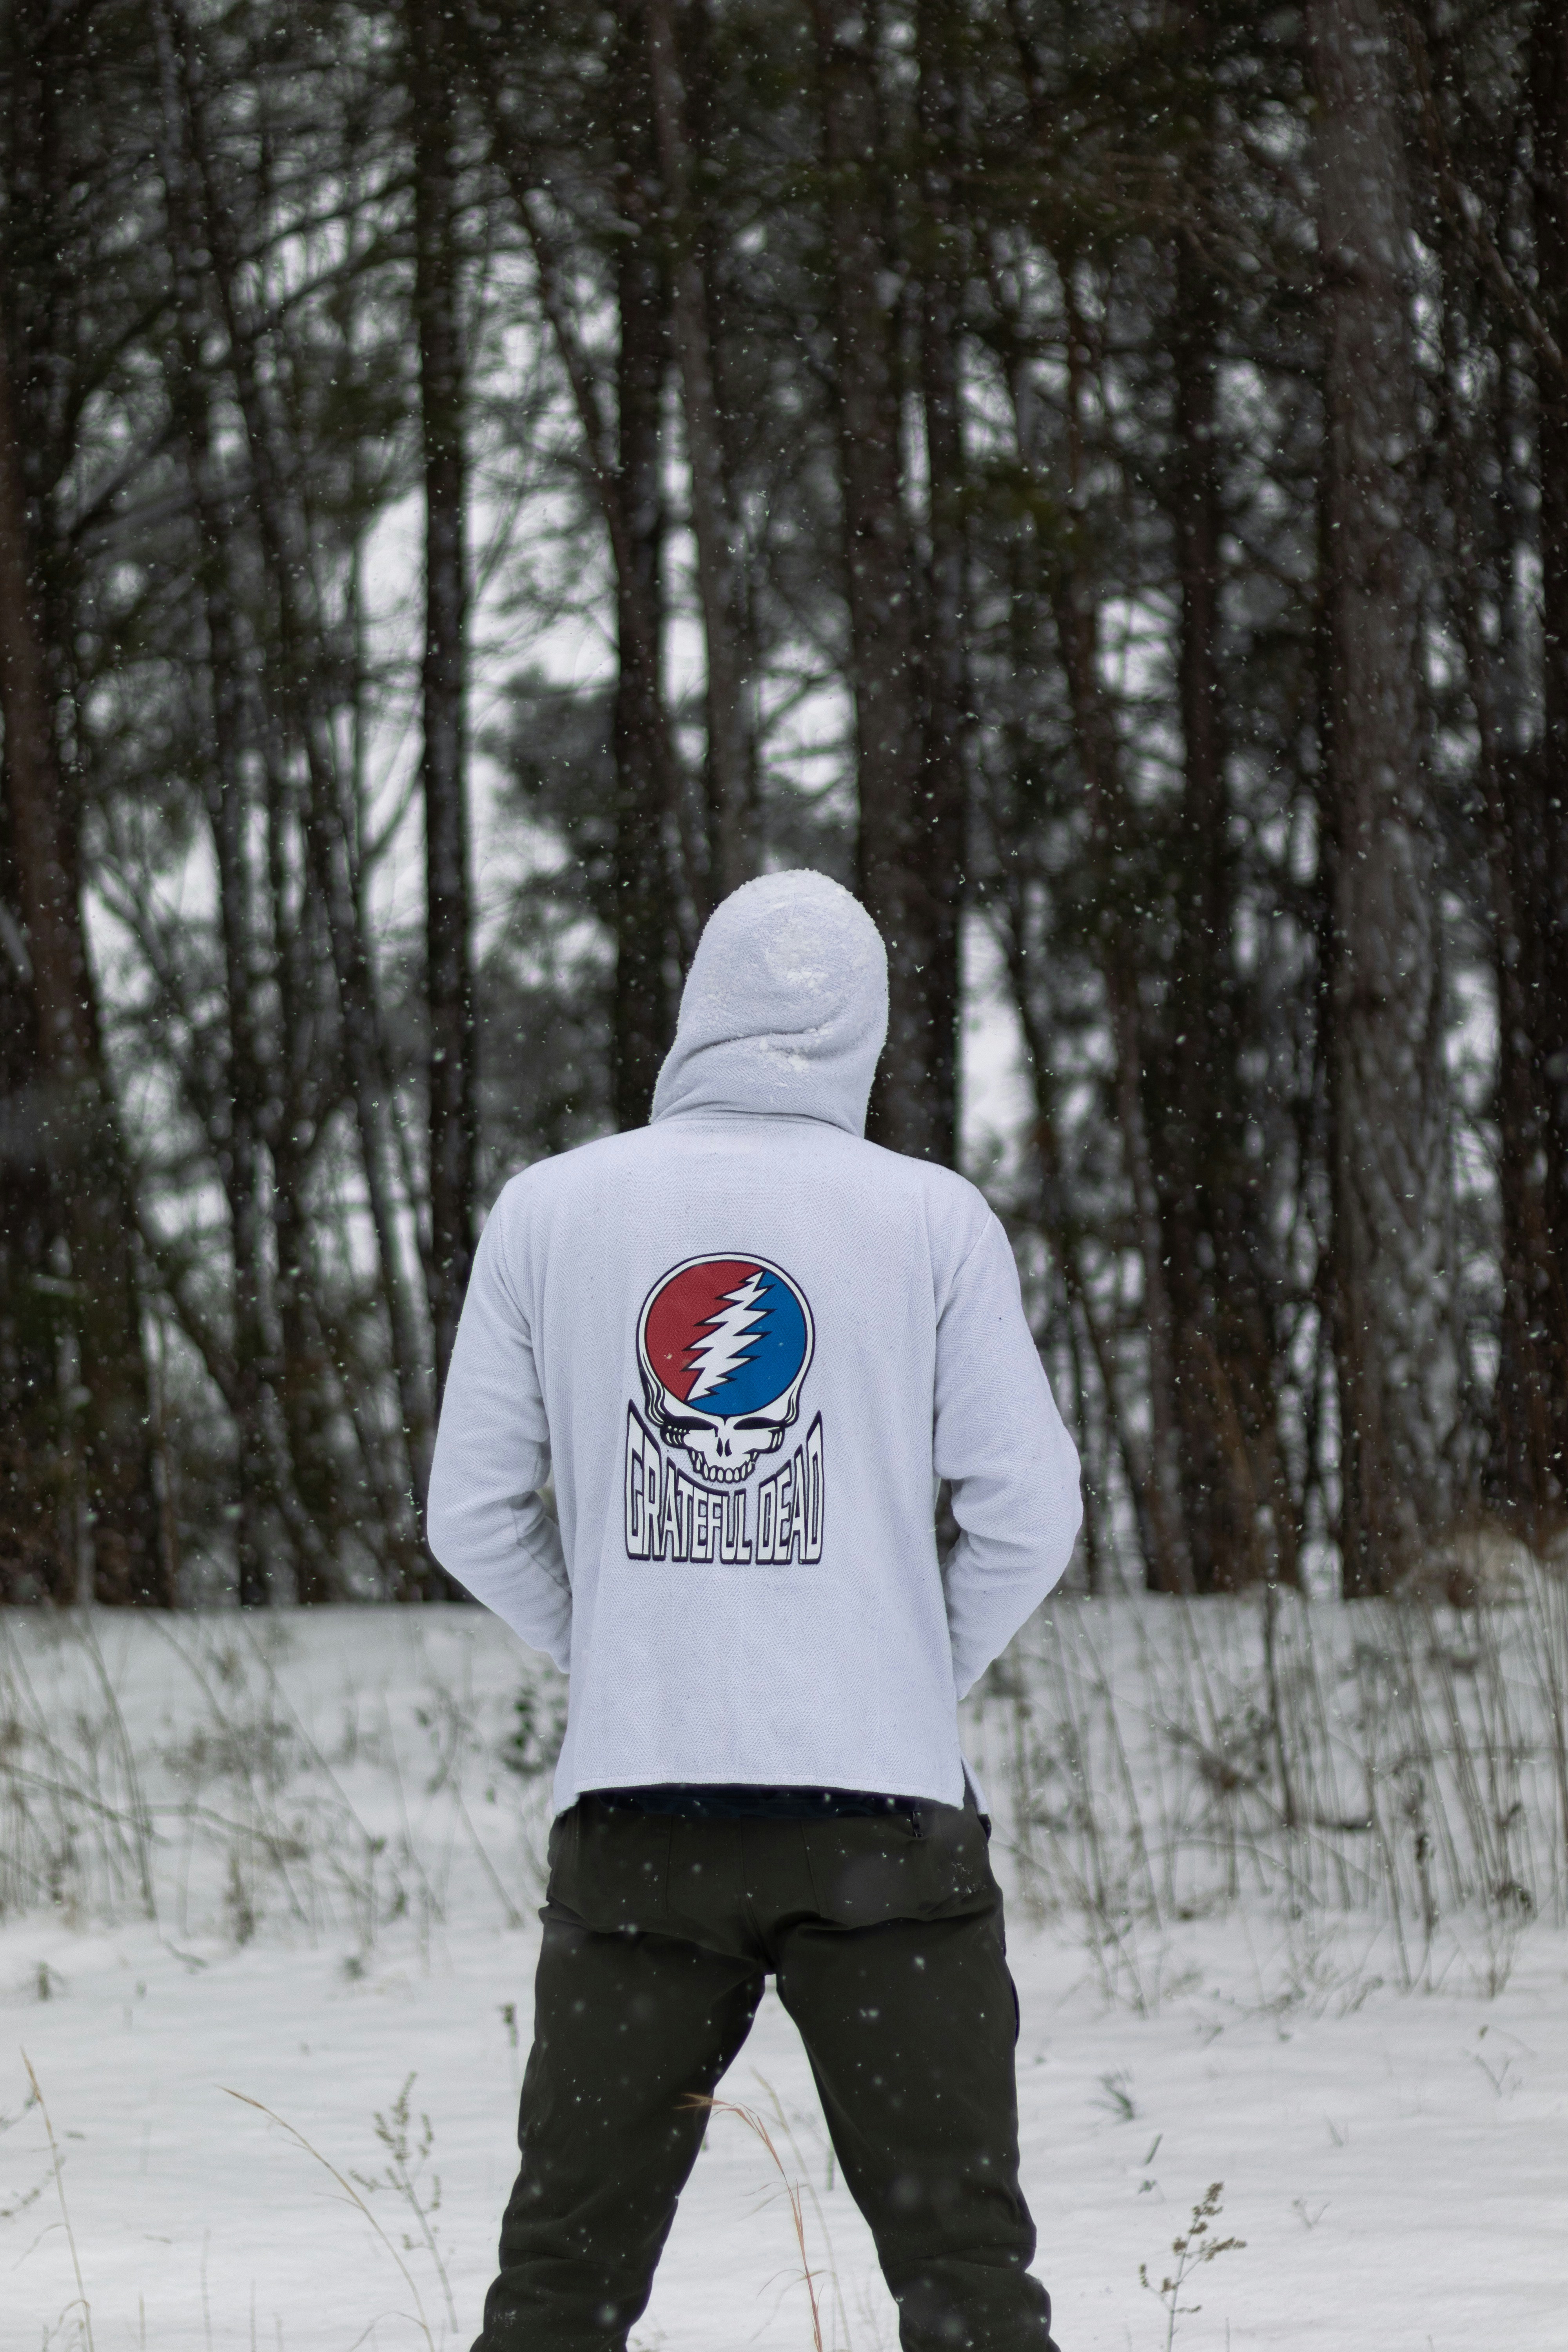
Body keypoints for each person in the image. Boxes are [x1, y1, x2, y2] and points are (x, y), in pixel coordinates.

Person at [428, 869, 1083, 2352]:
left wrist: (617, 1659)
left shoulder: (552, 1208)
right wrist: (911, 1671)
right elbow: (1030, 1513)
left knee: (559, 2289)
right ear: (865, 1023)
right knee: (968, 2286)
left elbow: (469, 1515)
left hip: (638, 1827)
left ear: (700, 1006)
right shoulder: (931, 1218)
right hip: (884, 1836)